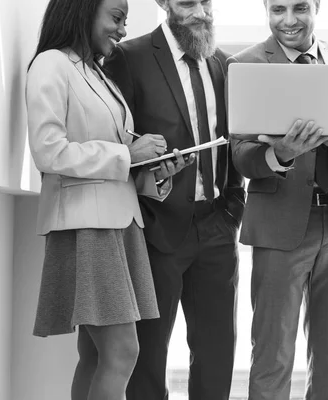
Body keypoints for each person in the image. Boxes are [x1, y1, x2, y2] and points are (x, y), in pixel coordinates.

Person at [26, 0, 193, 398]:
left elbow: (113, 164)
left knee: (96, 355)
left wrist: (154, 174)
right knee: (122, 353)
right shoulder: (52, 64)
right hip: (87, 226)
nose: (122, 30)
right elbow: (48, 152)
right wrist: (127, 155)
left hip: (116, 225)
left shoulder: (97, 74)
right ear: (83, 11)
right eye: (116, 18)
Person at [102, 0, 246, 399]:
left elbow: (236, 144)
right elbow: (116, 144)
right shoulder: (128, 59)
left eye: (206, 2)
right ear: (163, 3)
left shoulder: (226, 65)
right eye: (187, 3)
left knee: (217, 355)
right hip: (155, 230)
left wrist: (232, 209)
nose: (200, 11)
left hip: (218, 228)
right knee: (147, 359)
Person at [227, 1, 328, 399]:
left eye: (300, 8)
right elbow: (239, 153)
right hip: (277, 228)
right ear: (266, 10)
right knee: (273, 354)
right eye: (278, 9)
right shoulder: (245, 64)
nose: (289, 21)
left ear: (316, 7)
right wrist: (280, 153)